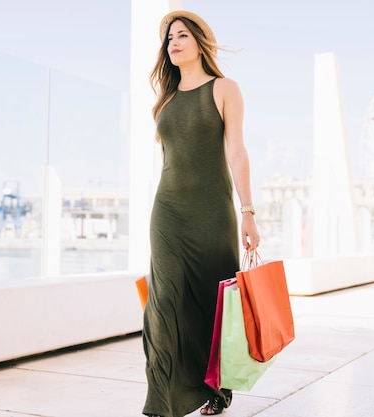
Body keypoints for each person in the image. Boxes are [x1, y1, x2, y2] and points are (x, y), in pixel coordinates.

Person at [142, 10, 260, 417]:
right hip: (168, 212)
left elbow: (237, 152)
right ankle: (160, 402)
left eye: (181, 36)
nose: (172, 43)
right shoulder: (166, 100)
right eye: (168, 39)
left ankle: (217, 389)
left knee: (213, 306)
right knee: (163, 303)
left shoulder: (224, 88)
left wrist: (248, 212)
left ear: (199, 42)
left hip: (212, 214)